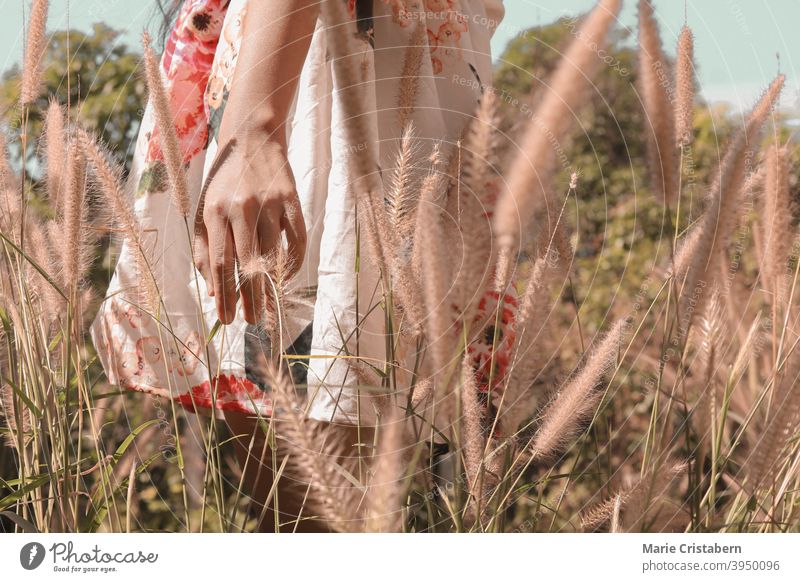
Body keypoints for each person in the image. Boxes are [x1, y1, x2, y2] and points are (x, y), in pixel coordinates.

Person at [91, 0, 506, 531]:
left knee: (318, 521)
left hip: (315, 83)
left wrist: (253, 126)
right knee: (312, 513)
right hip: (314, 69)